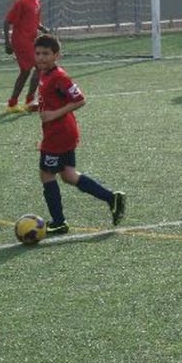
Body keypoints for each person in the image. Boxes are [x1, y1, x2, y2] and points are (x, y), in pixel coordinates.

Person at [33, 34, 126, 235]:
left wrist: (52, 115)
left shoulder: (59, 76)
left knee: (47, 174)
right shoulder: (44, 74)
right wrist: (37, 107)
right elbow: (53, 100)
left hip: (59, 134)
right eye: (38, 53)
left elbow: (80, 99)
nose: (41, 58)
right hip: (60, 132)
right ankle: (112, 198)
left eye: (46, 54)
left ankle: (58, 222)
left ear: (56, 55)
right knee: (68, 175)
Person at [3, 0, 49, 112]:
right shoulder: (21, 1)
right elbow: (7, 22)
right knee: (40, 66)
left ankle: (12, 103)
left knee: (25, 72)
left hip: (32, 40)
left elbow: (34, 20)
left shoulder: (36, 1)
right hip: (21, 41)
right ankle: (30, 101)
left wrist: (42, 28)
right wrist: (7, 43)